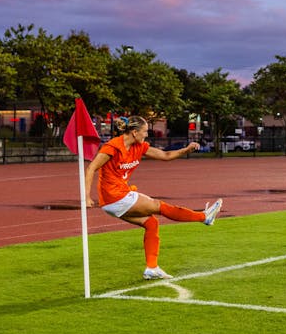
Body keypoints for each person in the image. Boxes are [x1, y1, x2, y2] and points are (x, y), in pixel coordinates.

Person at [85, 116, 223, 280]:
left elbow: (165, 156)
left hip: (114, 201)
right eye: (144, 132)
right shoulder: (113, 147)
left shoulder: (140, 146)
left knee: (151, 223)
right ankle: (204, 217)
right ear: (134, 132)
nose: (146, 135)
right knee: (159, 206)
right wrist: (86, 196)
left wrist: (186, 150)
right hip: (115, 197)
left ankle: (152, 268)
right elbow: (91, 167)